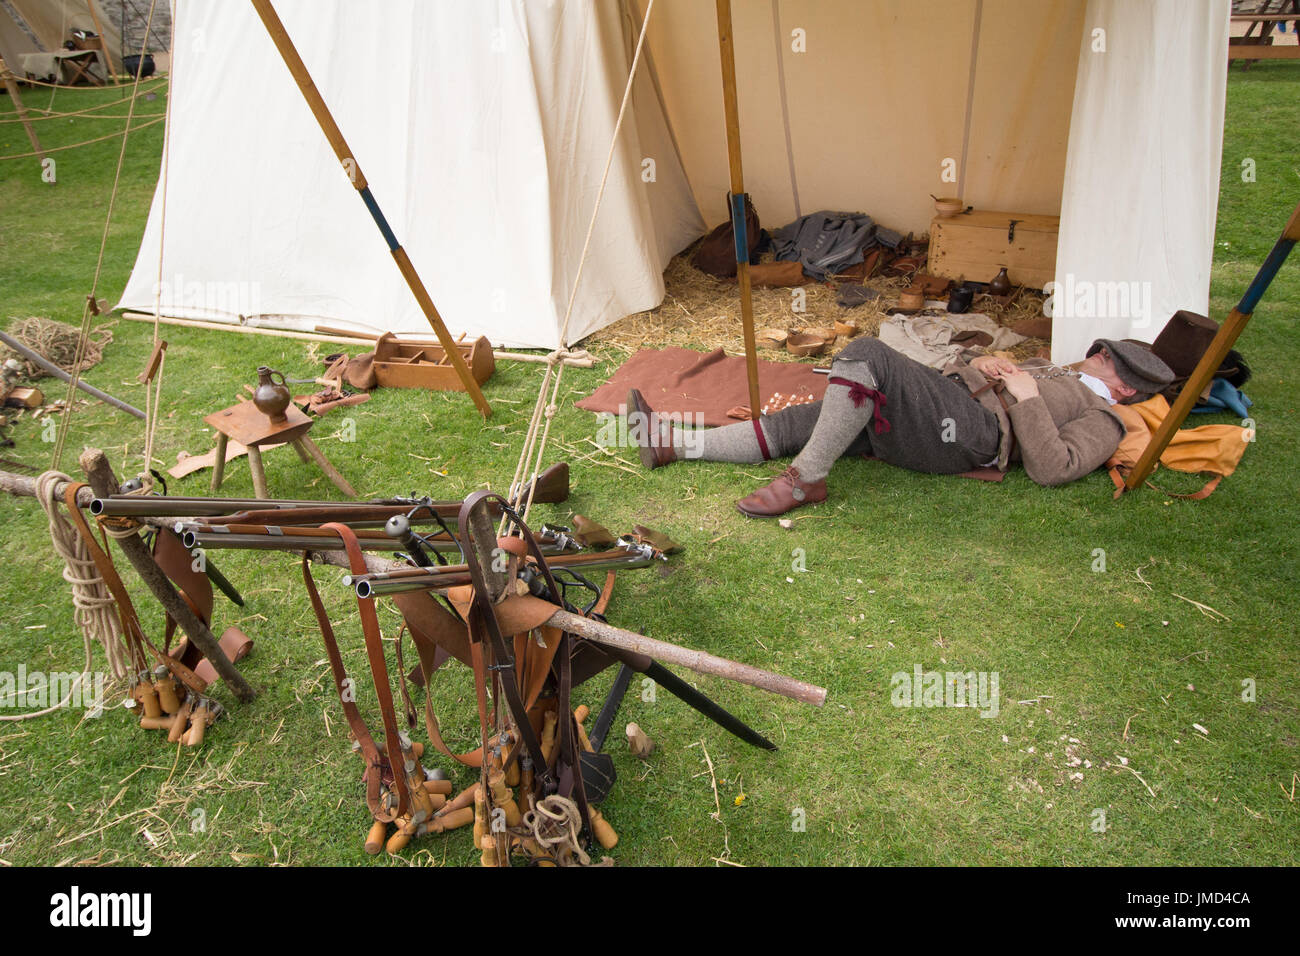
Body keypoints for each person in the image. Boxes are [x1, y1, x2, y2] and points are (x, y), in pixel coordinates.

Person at [627, 336, 1175, 518]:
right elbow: (961, 377)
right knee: (807, 418)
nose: (1097, 352)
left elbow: (1054, 469)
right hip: (943, 411)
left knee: (868, 352)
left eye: (1107, 358)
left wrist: (1027, 400)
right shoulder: (1051, 367)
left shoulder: (1106, 415)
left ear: (1125, 388)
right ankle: (670, 443)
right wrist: (977, 362)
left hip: (974, 437)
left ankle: (805, 480)